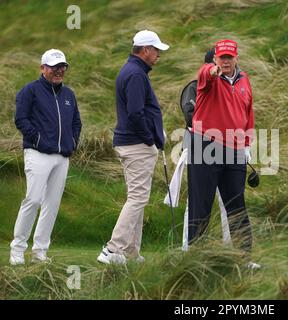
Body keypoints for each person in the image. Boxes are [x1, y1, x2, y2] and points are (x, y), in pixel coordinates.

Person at [97, 30, 169, 265]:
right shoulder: (136, 74)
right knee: (138, 198)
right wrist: (150, 138)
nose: (158, 55)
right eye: (156, 50)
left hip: (133, 143)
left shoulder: (134, 70)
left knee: (137, 197)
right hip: (137, 144)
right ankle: (113, 249)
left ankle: (130, 252)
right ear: (145, 50)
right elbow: (136, 112)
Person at [187, 39, 259, 268]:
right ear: (215, 58)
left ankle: (243, 258)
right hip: (205, 145)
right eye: (221, 58)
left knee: (237, 205)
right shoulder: (209, 76)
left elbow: (248, 114)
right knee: (202, 204)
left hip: (235, 149)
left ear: (236, 58)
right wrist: (213, 70)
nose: (225, 61)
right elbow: (206, 74)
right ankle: (195, 260)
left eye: (229, 57)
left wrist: (247, 145)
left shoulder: (244, 80)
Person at [10, 49, 82, 265]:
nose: (59, 71)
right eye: (53, 67)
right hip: (37, 153)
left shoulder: (69, 94)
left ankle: (40, 252)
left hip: (62, 157)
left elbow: (76, 123)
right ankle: (17, 249)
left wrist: (72, 142)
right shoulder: (30, 91)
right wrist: (40, 140)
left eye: (62, 67)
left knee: (52, 204)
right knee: (32, 200)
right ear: (43, 68)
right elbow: (21, 119)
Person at [165, 48, 232, 251]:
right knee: (196, 202)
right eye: (219, 63)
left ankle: (233, 248)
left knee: (228, 202)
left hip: (228, 149)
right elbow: (191, 117)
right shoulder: (193, 88)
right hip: (200, 149)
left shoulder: (231, 89)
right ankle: (189, 248)